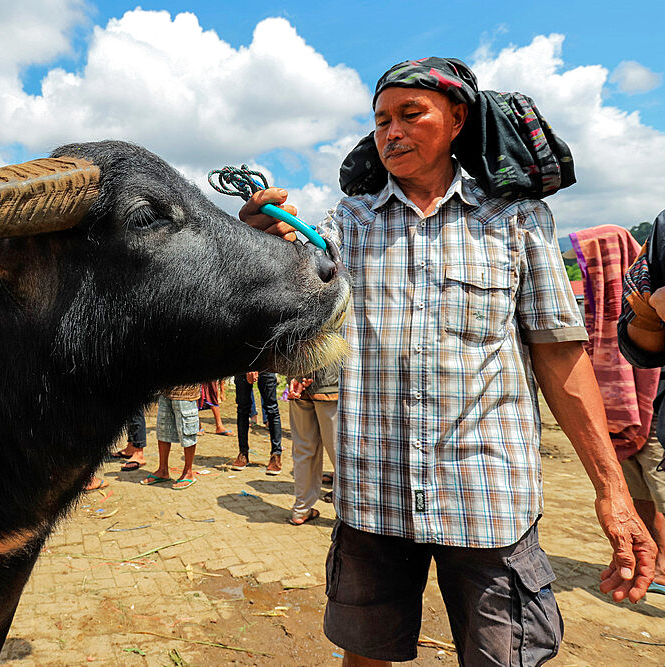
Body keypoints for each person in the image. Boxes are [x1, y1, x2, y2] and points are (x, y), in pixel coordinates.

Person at [241, 57, 655, 665]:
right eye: (381, 120)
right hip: (372, 498)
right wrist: (261, 244)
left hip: (490, 501)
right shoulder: (346, 225)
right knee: (366, 655)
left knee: (504, 658)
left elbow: (561, 356)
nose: (392, 132)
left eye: (411, 114)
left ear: (457, 118)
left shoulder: (516, 219)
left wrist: (612, 493)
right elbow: (289, 312)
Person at [615, 208, 665, 586]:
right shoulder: (664, 232)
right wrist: (646, 317)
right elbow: (641, 347)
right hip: (626, 413)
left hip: (643, 406)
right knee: (640, 484)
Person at [286, 362, 339, 525]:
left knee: (303, 448)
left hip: (297, 382)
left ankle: (301, 510)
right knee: (338, 450)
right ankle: (348, 511)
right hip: (329, 384)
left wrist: (299, 376)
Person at [141, 384, 200, 490]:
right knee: (162, 430)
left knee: (187, 430)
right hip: (165, 390)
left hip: (186, 391)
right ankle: (163, 470)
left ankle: (188, 472)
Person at [232, 371, 282, 474]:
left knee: (271, 409)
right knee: (242, 409)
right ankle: (243, 452)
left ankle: (276, 454)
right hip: (243, 364)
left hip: (265, 363)